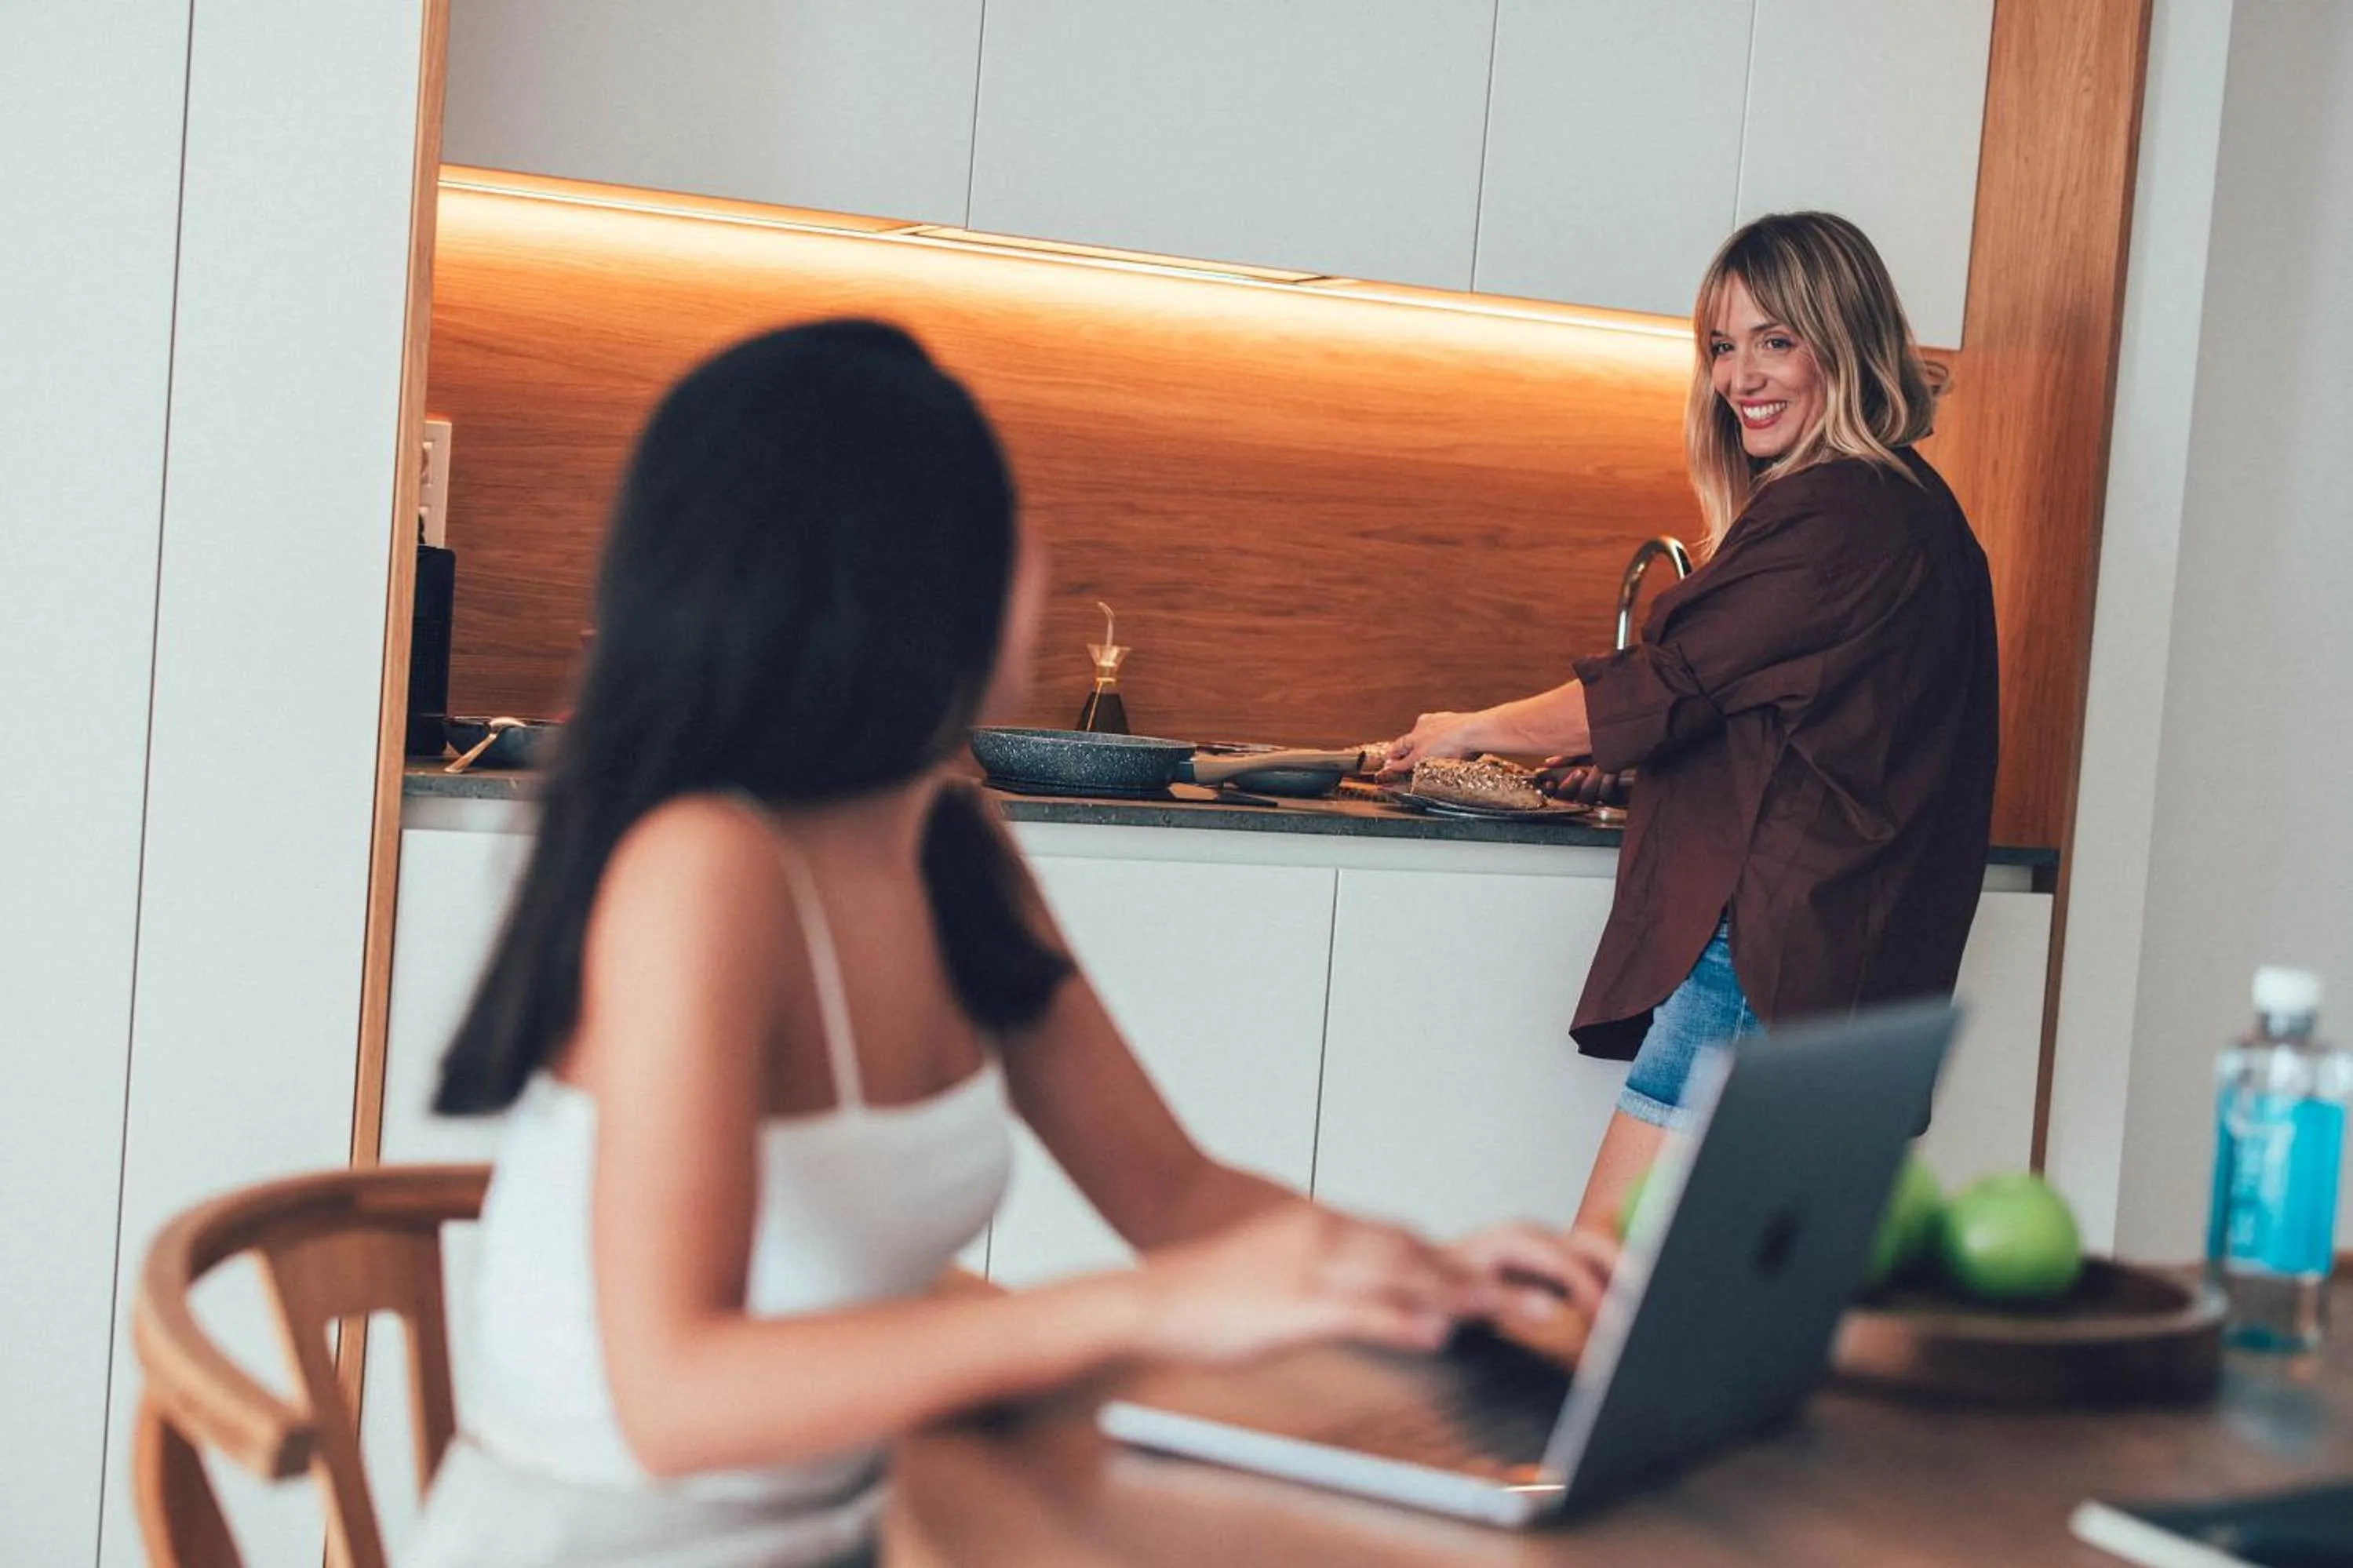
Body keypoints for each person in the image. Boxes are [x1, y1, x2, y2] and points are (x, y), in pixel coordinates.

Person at [403, 322, 1608, 1567]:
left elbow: (1174, 1195)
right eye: (998, 521)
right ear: (884, 571)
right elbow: (674, 1398)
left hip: (873, 1518)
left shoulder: (947, 842)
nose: (1033, 556)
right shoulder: (703, 868)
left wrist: (1427, 1277)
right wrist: (1146, 1310)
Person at [1386, 212, 1998, 1239]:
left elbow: (1662, 686)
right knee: (1724, 1299)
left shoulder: (1837, 512)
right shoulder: (1914, 509)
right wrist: (1639, 769)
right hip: (1847, 966)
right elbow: (1808, 724)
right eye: (1722, 345)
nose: (1738, 377)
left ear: (1843, 342)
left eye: (1775, 341)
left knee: (1599, 1280)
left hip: (1764, 966)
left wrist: (1467, 728)